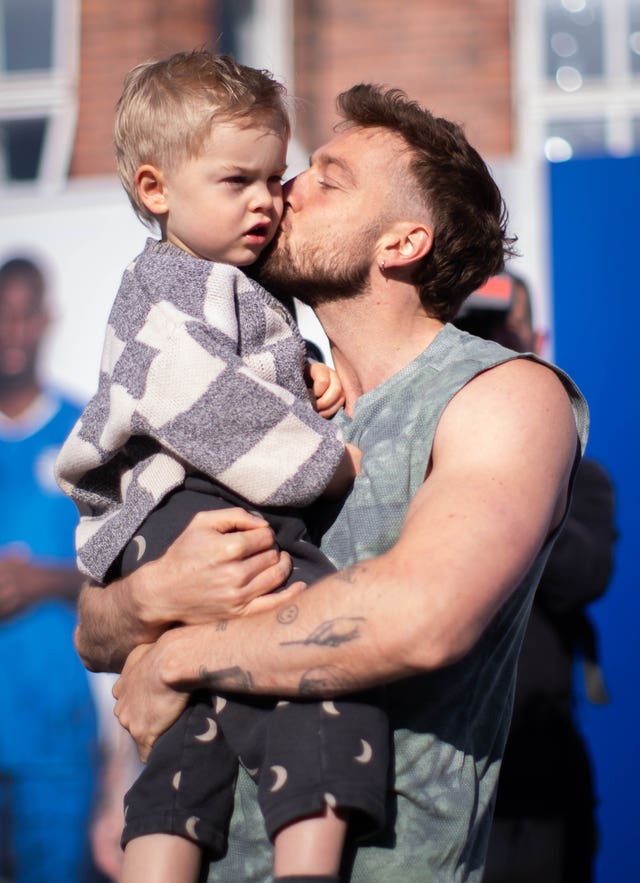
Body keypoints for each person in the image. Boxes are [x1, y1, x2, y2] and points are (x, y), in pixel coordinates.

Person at [75, 83, 590, 882]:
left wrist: (175, 658)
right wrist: (149, 598)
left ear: (402, 242)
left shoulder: (503, 395)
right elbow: (95, 631)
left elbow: (421, 617)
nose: (284, 189)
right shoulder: (259, 391)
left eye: (327, 177)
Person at [56, 51, 388, 883]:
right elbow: (217, 411)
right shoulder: (164, 290)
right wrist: (329, 462)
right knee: (314, 659)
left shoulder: (219, 282)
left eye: (275, 179)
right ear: (155, 187)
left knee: (191, 731)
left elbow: (249, 373)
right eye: (238, 179)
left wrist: (305, 372)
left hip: (183, 504)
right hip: (192, 503)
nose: (266, 202)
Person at [455, 272, 617, 883]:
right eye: (473, 333)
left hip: (537, 780)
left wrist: (514, 484)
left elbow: (585, 575)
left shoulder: (581, 477)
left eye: (505, 333)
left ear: (536, 339)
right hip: (435, 766)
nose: (490, 350)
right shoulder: (412, 455)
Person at [0, 256, 101, 882]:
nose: (12, 329)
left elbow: (130, 577)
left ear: (47, 320)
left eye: (24, 313)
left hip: (55, 733)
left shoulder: (86, 435)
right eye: (0, 315)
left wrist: (45, 579)